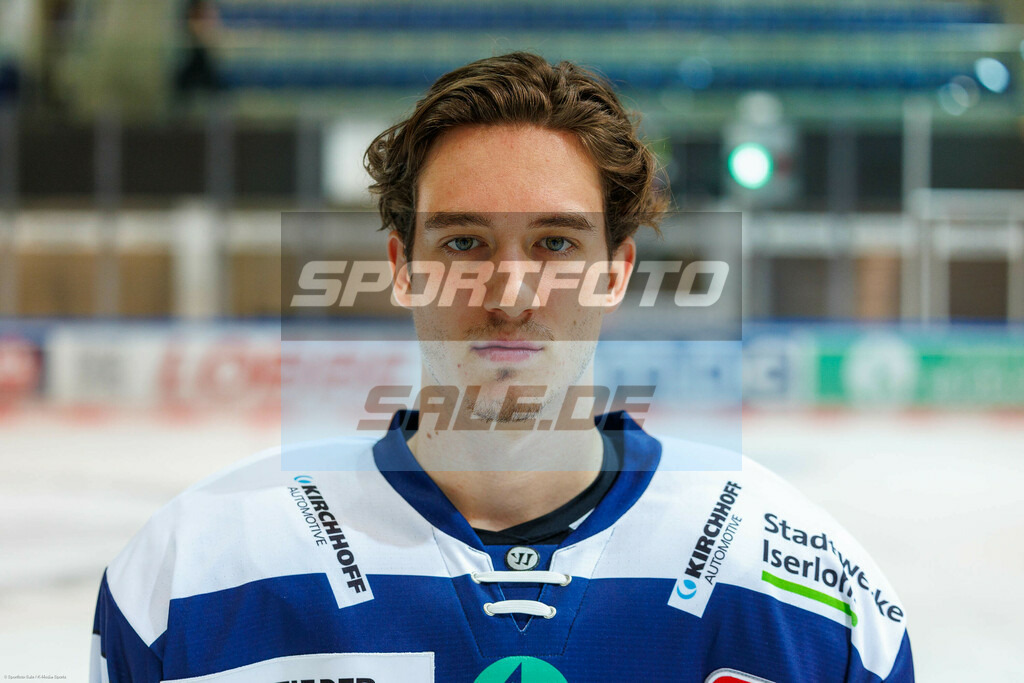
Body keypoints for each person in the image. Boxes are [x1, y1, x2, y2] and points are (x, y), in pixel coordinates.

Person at [91, 52, 913, 682]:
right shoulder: (188, 573)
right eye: (463, 242)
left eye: (556, 243)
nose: (511, 292)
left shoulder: (808, 592)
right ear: (402, 265)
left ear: (615, 271)